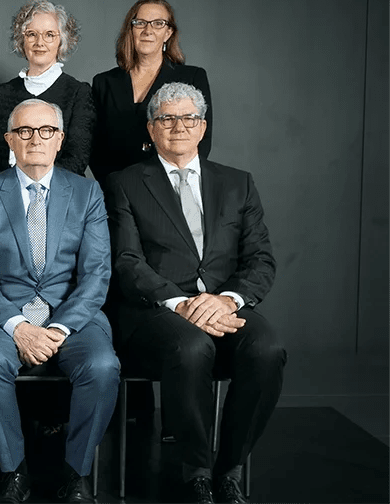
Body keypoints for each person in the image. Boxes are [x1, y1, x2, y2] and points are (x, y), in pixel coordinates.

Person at [106, 83, 285, 504]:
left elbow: (260, 259)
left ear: (202, 127)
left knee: (268, 348)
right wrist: (182, 303)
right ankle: (197, 470)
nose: (178, 126)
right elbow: (127, 261)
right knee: (190, 347)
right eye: (166, 118)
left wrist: (226, 300)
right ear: (151, 129)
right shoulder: (125, 182)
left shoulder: (237, 183)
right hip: (156, 310)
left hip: (224, 304)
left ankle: (230, 467)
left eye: (188, 118)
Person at [0, 98, 119, 504]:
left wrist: (59, 327)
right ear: (9, 140)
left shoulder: (86, 193)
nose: (36, 139)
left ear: (60, 139)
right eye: (25, 131)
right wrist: (19, 326)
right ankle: (14, 471)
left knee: (103, 366)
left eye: (46, 131)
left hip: (73, 316)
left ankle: (77, 473)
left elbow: (97, 273)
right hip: (3, 317)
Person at [91, 0, 212, 187]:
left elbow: (201, 140)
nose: (148, 30)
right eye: (140, 23)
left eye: (158, 24)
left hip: (170, 189)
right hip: (117, 191)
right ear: (131, 29)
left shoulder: (192, 77)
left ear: (168, 32)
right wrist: (115, 185)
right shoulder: (104, 82)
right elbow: (95, 147)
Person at [0, 0, 94, 181]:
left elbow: (77, 158)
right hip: (2, 194)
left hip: (56, 197)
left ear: (61, 41)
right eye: (31, 34)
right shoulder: (2, 93)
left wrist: (37, 191)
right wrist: (7, 190)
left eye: (49, 35)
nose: (40, 42)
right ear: (21, 40)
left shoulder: (78, 93)